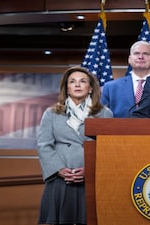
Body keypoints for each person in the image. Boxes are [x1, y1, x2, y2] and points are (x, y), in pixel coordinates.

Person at [37, 66, 113, 225]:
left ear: (91, 88)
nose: (77, 85)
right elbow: (44, 145)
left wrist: (89, 169)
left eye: (82, 81)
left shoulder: (105, 113)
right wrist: (59, 170)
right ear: (67, 88)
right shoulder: (51, 113)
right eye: (72, 82)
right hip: (61, 178)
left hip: (90, 177)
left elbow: (108, 149)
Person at [101, 40, 150, 117]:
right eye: (136, 53)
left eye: (146, 54)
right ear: (129, 59)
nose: (140, 57)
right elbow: (101, 118)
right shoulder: (110, 87)